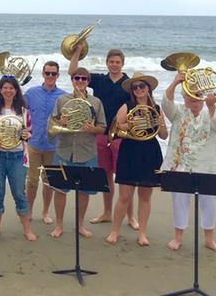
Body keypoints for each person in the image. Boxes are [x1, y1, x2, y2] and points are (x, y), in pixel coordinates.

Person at [69, 46, 139, 229]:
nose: (114, 65)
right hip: (100, 132)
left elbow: (138, 103)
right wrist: (77, 51)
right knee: (106, 175)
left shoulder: (129, 83)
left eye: (118, 62)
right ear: (107, 63)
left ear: (123, 64)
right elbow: (73, 72)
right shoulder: (99, 79)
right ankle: (107, 213)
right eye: (111, 61)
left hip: (122, 135)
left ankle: (131, 217)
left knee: (126, 177)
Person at [161, 72, 216, 253]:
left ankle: (210, 240)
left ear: (203, 99)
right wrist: (175, 81)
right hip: (180, 165)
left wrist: (212, 106)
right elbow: (166, 103)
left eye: (197, 98)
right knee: (179, 202)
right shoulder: (178, 113)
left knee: (209, 203)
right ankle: (178, 237)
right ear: (184, 98)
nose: (193, 102)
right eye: (189, 98)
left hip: (207, 167)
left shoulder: (209, 114)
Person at [105, 72, 168, 246]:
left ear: (148, 88)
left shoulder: (156, 108)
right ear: (132, 90)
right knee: (124, 195)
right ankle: (114, 231)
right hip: (130, 149)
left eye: (142, 86)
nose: (138, 89)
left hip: (149, 151)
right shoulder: (127, 106)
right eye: (135, 87)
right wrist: (134, 123)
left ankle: (142, 233)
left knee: (145, 196)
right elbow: (117, 127)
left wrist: (159, 123)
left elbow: (163, 135)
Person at [49, 67, 106, 238]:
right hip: (64, 150)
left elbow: (102, 128)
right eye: (76, 78)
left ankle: (80, 225)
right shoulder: (61, 100)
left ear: (88, 81)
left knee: (84, 192)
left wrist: (92, 129)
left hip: (87, 151)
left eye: (83, 78)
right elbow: (53, 123)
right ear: (72, 80)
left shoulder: (96, 102)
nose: (80, 81)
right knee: (59, 190)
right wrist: (61, 122)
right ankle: (59, 225)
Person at [0, 76, 37, 241]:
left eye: (11, 88)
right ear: (0, 90)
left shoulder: (23, 111)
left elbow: (29, 133)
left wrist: (26, 134)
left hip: (17, 157)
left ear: (16, 91)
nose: (8, 91)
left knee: (19, 193)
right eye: (5, 88)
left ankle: (27, 230)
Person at [24, 61, 67, 225]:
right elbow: (21, 113)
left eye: (53, 73)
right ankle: (29, 211)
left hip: (54, 146)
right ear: (42, 74)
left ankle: (45, 212)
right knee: (32, 181)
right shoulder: (31, 93)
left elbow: (68, 121)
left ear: (58, 75)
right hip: (34, 144)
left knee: (49, 181)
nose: (50, 76)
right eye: (47, 73)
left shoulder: (63, 96)